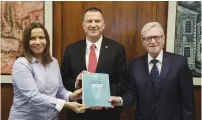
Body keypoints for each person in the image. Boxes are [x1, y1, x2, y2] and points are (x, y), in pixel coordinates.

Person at [109, 22, 195, 120]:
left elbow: (188, 101)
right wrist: (120, 100)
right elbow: (132, 93)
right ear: (142, 41)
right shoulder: (135, 65)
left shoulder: (179, 63)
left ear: (163, 38)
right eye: (148, 38)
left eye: (157, 37)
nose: (153, 41)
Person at [8, 23, 88, 120]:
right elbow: (33, 97)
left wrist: (71, 95)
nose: (37, 42)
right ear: (26, 42)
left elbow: (59, 90)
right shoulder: (21, 64)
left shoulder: (53, 62)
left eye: (41, 37)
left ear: (47, 40)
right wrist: (66, 104)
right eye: (32, 38)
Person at [61, 7, 127, 120]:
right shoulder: (71, 50)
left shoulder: (117, 49)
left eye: (97, 21)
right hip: (79, 112)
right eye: (89, 21)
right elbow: (64, 80)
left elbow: (123, 81)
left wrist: (102, 97)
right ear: (83, 25)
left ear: (103, 25)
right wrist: (76, 84)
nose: (93, 24)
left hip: (107, 113)